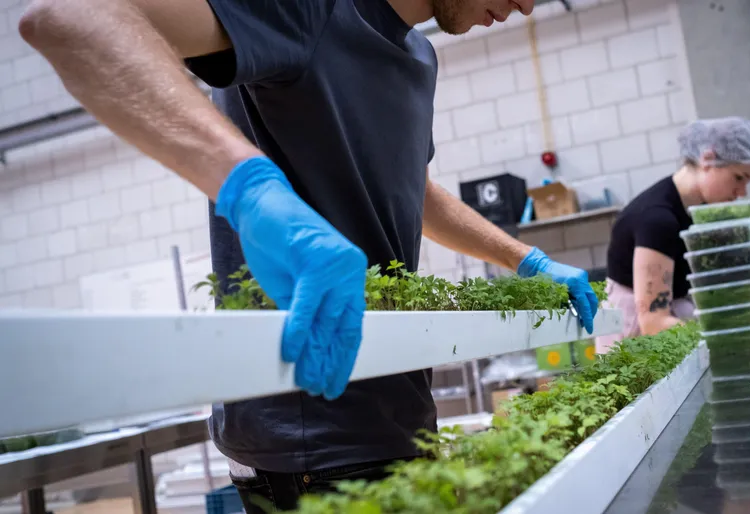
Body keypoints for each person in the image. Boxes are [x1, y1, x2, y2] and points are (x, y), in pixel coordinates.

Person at [18, 0, 602, 511]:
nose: (528, 6)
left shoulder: (420, 57)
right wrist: (251, 188)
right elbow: (72, 16)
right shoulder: (314, 8)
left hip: (397, 413)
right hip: (307, 434)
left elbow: (415, 189)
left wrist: (526, 259)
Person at [597, 117, 750, 352]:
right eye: (738, 178)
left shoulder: (691, 210)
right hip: (634, 343)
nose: (741, 192)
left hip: (665, 336)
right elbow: (653, 322)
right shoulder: (657, 219)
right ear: (707, 159)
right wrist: (723, 338)